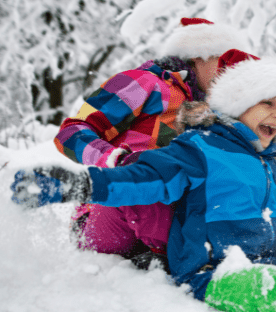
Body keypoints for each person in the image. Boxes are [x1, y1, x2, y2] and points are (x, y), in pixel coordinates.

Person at [13, 49, 276, 311]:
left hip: (273, 266)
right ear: (238, 103)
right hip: (217, 274)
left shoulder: (266, 165)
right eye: (268, 103)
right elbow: (145, 179)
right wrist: (81, 185)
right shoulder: (197, 149)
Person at [53, 17, 249, 266]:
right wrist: (118, 160)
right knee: (148, 181)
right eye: (223, 63)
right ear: (198, 56)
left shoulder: (212, 113)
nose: (228, 74)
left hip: (168, 216)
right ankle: (191, 260)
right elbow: (71, 133)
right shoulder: (145, 83)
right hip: (112, 211)